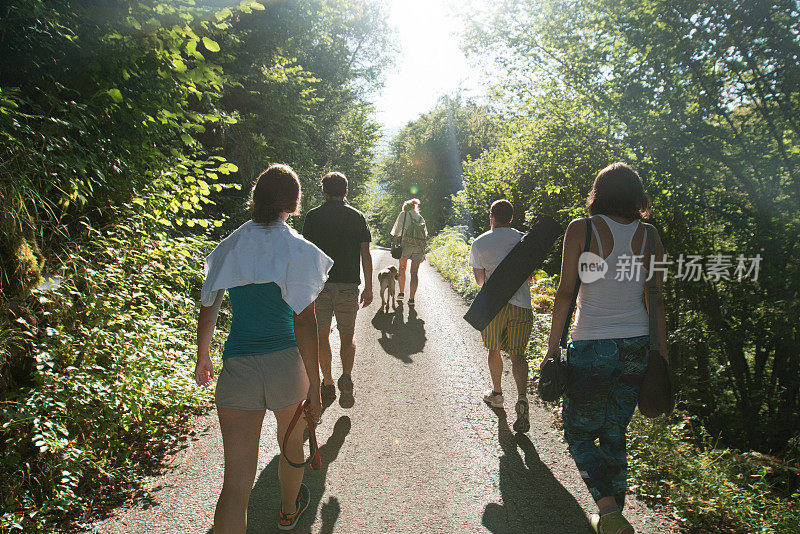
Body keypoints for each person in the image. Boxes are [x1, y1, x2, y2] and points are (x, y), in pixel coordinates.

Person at [194, 164, 333, 533]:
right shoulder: (299, 250)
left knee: (236, 483)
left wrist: (202, 357)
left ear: (255, 199)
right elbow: (306, 324)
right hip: (286, 366)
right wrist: (316, 385)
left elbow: (208, 309)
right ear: (294, 203)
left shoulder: (232, 244)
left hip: (239, 367)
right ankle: (289, 512)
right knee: (291, 448)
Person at [543, 162, 667, 534]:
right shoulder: (650, 236)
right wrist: (660, 354)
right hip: (636, 343)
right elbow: (656, 298)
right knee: (614, 430)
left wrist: (552, 349)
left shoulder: (583, 229)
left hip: (591, 342)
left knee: (579, 431)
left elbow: (566, 292)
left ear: (598, 193)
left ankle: (609, 513)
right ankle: (614, 515)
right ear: (636, 195)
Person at [302, 171, 373, 408]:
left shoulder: (313, 217)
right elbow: (365, 253)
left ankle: (329, 382)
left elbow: (307, 254)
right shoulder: (357, 217)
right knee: (347, 336)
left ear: (323, 191)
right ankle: (347, 376)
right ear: (346, 192)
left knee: (322, 336)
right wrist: (369, 286)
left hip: (319, 286)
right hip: (348, 287)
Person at [469, 199, 533, 433]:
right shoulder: (524, 241)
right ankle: (523, 397)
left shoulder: (480, 242)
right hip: (522, 305)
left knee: (493, 349)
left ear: (492, 216)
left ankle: (497, 394)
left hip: (493, 305)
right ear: (512, 217)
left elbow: (480, 281)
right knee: (518, 355)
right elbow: (528, 276)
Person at [390, 198, 428, 306]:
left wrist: (393, 245)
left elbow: (396, 231)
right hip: (418, 247)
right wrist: (423, 252)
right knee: (414, 273)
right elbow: (425, 234)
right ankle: (412, 299)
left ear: (405, 207)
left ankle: (401, 293)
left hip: (406, 244)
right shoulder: (420, 217)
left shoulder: (403, 214)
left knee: (402, 268)